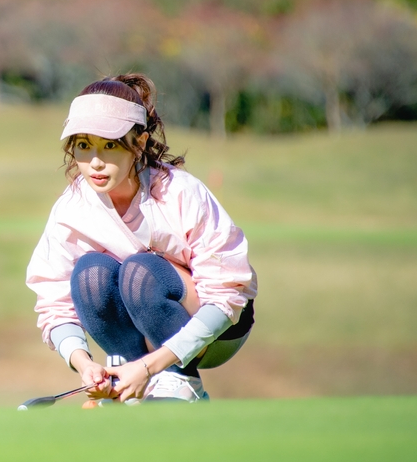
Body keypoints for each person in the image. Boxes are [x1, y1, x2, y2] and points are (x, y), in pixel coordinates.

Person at [26, 73, 257, 405]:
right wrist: (85, 364)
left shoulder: (181, 191)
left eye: (110, 145)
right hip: (140, 342)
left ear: (141, 143)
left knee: (140, 271)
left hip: (217, 330)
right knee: (90, 271)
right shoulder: (71, 208)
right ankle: (125, 381)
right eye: (83, 145)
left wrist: (149, 367)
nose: (94, 161)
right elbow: (54, 301)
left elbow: (226, 298)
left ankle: (179, 379)